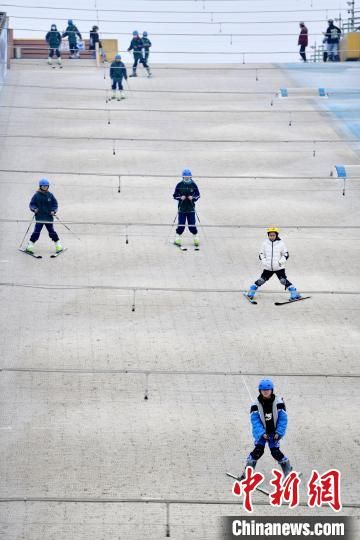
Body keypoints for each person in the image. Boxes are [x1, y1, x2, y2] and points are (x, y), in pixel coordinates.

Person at [237, 379, 293, 480]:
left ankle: (288, 470)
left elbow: (283, 419)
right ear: (260, 391)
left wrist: (279, 432)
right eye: (263, 390)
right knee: (258, 451)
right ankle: (247, 473)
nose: (265, 392)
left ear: (272, 390)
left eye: (268, 390)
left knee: (275, 452)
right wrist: (262, 433)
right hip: (261, 433)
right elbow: (255, 421)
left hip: (274, 432)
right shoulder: (255, 404)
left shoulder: (279, 402)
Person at [246, 227, 301, 301]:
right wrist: (264, 261)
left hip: (279, 267)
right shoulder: (265, 243)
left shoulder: (281, 243)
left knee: (283, 281)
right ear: (268, 235)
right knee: (261, 280)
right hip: (268, 267)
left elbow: (286, 254)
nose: (272, 237)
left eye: (273, 235)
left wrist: (280, 262)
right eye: (270, 235)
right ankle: (251, 291)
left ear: (276, 235)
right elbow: (261, 253)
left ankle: (294, 293)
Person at [26, 179, 62, 254]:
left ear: (48, 186)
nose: (45, 187)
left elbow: (55, 204)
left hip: (48, 218)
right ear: (40, 186)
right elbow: (32, 204)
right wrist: (34, 209)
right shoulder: (36, 195)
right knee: (36, 232)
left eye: (46, 186)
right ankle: (30, 246)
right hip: (40, 218)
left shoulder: (50, 195)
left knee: (51, 232)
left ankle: (58, 245)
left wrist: (53, 211)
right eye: (43, 186)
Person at [173, 169, 200, 248]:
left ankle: (196, 237)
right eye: (185, 176)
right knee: (181, 225)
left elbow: (198, 195)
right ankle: (177, 238)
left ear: (190, 176)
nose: (187, 178)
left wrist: (193, 198)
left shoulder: (194, 185)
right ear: (183, 177)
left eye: (188, 176)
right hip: (182, 209)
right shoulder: (179, 185)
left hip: (191, 209)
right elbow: (175, 195)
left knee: (192, 225)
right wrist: (180, 197)